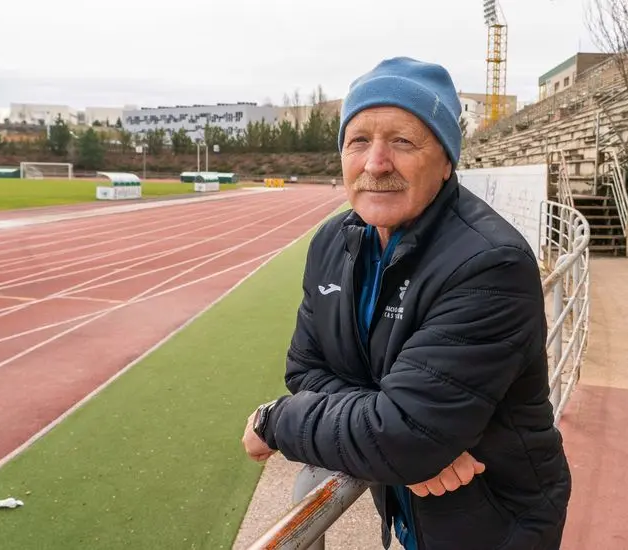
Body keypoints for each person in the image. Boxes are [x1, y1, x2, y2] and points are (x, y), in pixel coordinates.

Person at [242, 57, 571, 549]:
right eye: (358, 141)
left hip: (496, 523)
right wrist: (405, 440)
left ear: (445, 161)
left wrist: (276, 420)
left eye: (402, 141)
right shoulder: (334, 241)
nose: (376, 163)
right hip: (412, 504)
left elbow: (406, 435)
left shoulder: (489, 263)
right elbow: (306, 369)